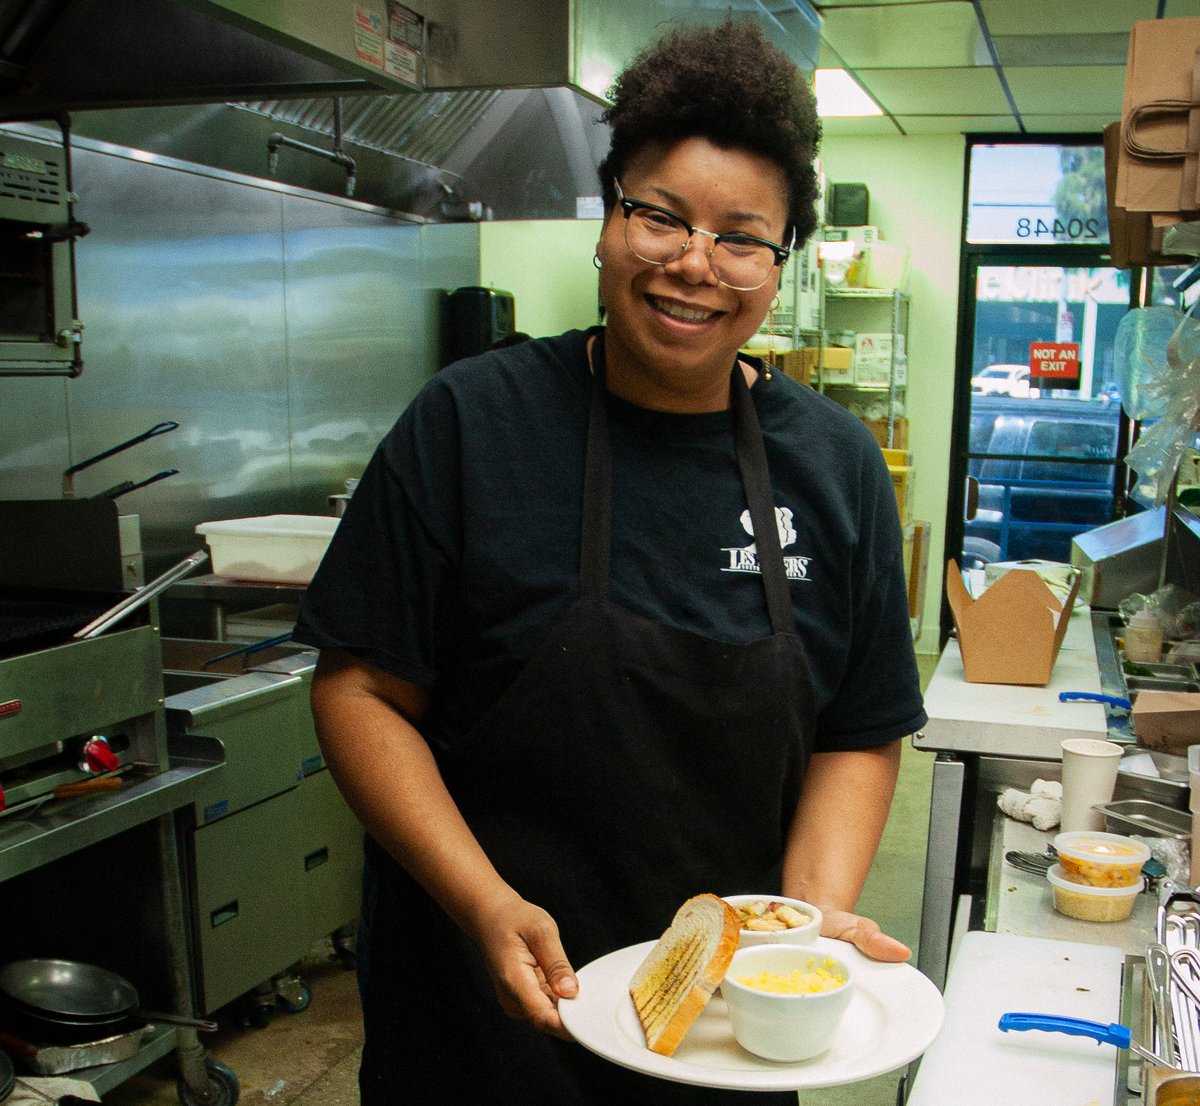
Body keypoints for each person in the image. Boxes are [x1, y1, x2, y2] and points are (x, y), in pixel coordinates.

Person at [293, 17, 926, 1106]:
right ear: (607, 216)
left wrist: (803, 926)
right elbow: (359, 689)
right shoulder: (469, 427)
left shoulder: (835, 466)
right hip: (477, 1016)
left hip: (722, 1037)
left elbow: (858, 729)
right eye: (661, 216)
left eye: (741, 237)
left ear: (781, 264)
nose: (695, 264)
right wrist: (482, 899)